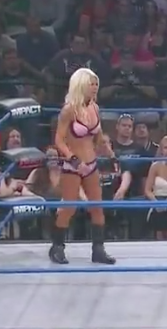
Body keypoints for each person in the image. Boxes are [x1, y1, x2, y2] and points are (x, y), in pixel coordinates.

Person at [49, 68, 116, 265]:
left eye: (96, 84)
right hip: (73, 165)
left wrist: (110, 154)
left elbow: (99, 136)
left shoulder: (95, 108)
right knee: (69, 207)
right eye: (91, 84)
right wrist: (73, 159)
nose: (95, 87)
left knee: (97, 207)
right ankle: (57, 248)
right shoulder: (68, 110)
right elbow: (59, 140)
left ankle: (98, 250)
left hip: (92, 163)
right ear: (80, 85)